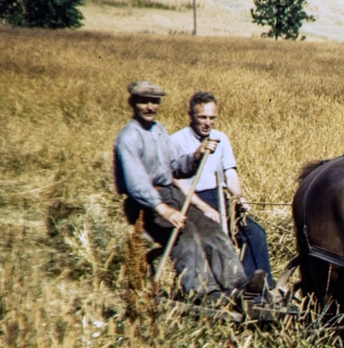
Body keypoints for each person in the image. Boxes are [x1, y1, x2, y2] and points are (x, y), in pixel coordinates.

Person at [113, 80, 247, 297]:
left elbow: (175, 167)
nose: (150, 107)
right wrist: (163, 209)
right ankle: (203, 292)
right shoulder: (128, 137)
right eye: (144, 102)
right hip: (145, 205)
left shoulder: (158, 130)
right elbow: (136, 183)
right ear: (133, 103)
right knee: (186, 236)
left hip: (171, 195)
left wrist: (196, 155)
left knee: (211, 229)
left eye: (154, 102)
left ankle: (238, 284)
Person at [170, 91, 274, 293]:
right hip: (192, 202)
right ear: (191, 115)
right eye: (202, 118)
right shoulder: (176, 141)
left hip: (220, 198)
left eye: (212, 118)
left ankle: (260, 291)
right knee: (218, 238)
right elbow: (177, 181)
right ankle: (233, 287)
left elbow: (230, 173)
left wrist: (239, 198)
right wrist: (203, 207)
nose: (208, 123)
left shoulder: (221, 138)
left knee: (256, 234)